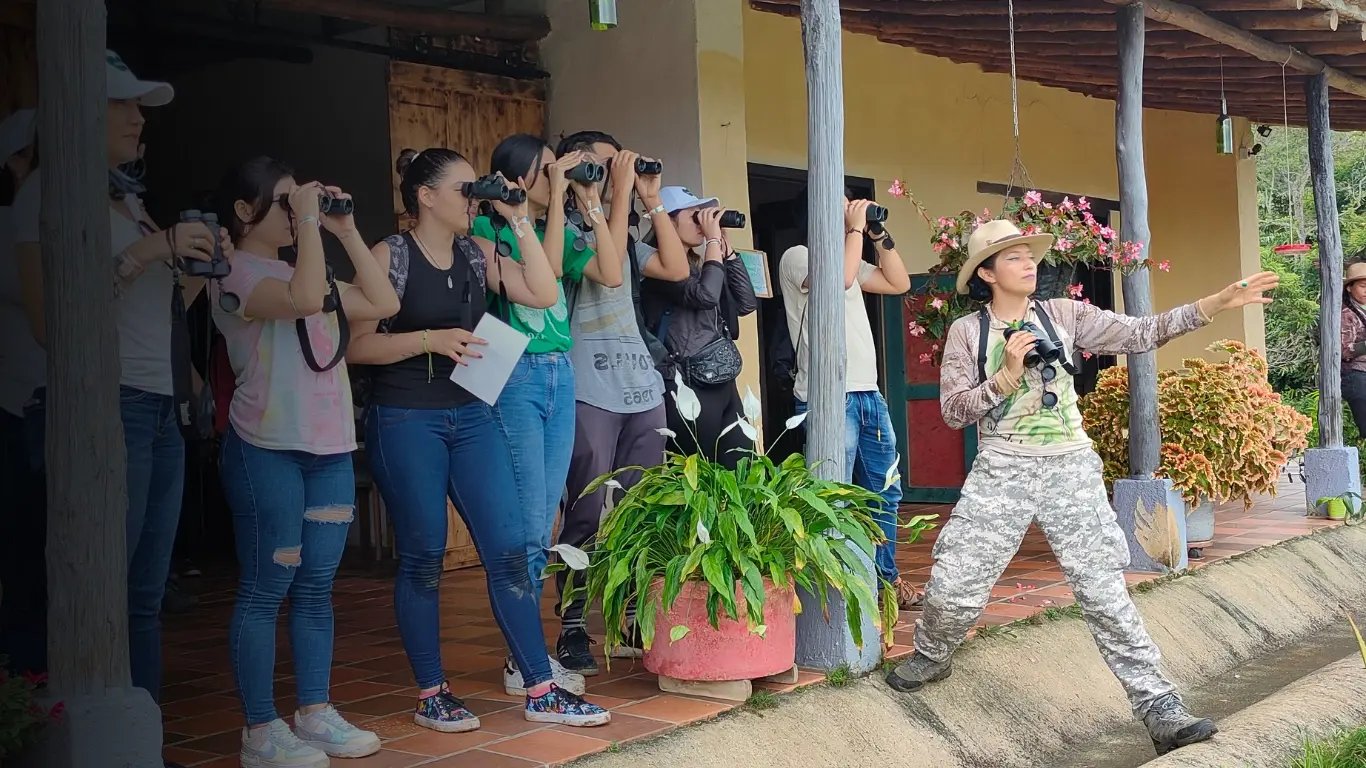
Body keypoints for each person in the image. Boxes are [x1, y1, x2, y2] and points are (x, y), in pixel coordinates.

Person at [884, 218, 1279, 755]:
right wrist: (1003, 376)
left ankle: (1159, 706)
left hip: (1071, 467)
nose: (1030, 264)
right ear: (987, 274)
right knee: (953, 586)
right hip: (1002, 466)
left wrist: (1215, 302)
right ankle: (933, 652)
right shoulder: (967, 333)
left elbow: (1141, 333)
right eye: (1015, 257)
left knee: (1103, 592)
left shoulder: (1065, 314)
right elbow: (954, 413)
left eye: (1031, 255)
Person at [348, 147, 611, 731]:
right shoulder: (389, 255)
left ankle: (541, 688)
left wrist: (518, 214)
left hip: (470, 415)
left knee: (511, 547)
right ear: (426, 196)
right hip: (405, 416)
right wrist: (427, 341)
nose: (474, 197)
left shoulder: (476, 250)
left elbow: (544, 294)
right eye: (465, 188)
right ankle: (430, 692)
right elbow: (358, 347)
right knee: (423, 554)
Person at [13, 51, 230, 712]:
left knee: (143, 592)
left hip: (158, 408)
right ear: (79, 113)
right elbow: (53, 322)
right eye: (125, 103)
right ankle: (81, 730)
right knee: (97, 590)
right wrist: (150, 250)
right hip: (107, 408)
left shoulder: (125, 200)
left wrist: (195, 266)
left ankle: (141, 735)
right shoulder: (43, 195)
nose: (140, 118)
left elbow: (155, 311)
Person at [214, 156, 399, 767]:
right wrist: (312, 224)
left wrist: (344, 228)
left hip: (329, 451)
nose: (298, 213)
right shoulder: (232, 272)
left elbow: (383, 300)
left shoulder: (310, 266)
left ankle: (315, 712)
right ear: (245, 212)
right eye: (284, 202)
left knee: (318, 588)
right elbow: (297, 300)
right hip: (266, 449)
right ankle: (259, 730)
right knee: (268, 587)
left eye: (301, 202)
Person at [472, 133, 622, 696]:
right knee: (530, 523)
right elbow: (550, 271)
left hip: (559, 369)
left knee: (546, 521)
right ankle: (525, 658)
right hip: (513, 370)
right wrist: (555, 199)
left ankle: (526, 656)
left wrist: (589, 205)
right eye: (544, 171)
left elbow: (611, 272)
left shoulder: (547, 223)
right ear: (513, 180)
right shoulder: (487, 229)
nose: (552, 177)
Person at [549, 130, 690, 674]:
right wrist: (608, 194)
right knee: (584, 511)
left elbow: (677, 269)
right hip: (587, 387)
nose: (613, 177)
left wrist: (651, 200)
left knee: (640, 511)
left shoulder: (627, 238)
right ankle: (573, 624)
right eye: (602, 168)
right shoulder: (562, 232)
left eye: (616, 168)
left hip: (639, 386)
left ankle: (632, 614)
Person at [778, 194, 917, 610]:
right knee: (832, 493)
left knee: (885, 492)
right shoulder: (798, 257)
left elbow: (899, 283)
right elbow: (837, 278)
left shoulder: (851, 256)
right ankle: (836, 588)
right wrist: (854, 229)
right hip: (826, 395)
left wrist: (876, 232)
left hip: (868, 392)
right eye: (839, 204)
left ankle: (883, 582)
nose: (850, 209)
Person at [639, 186, 758, 467]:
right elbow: (704, 296)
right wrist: (713, 244)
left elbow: (746, 303)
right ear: (667, 221)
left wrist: (726, 252)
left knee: (742, 469)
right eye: (695, 216)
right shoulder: (657, 267)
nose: (703, 223)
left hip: (721, 378)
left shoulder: (701, 263)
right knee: (695, 477)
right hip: (687, 382)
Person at [0, 107, 44, 676]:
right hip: (16, 405)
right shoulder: (14, 222)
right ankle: (28, 676)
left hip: (54, 402)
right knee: (27, 550)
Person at [1339, 259, 1366, 435]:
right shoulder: (1345, 313)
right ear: (1349, 287)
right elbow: (1343, 350)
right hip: (1355, 375)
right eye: (1363, 286)